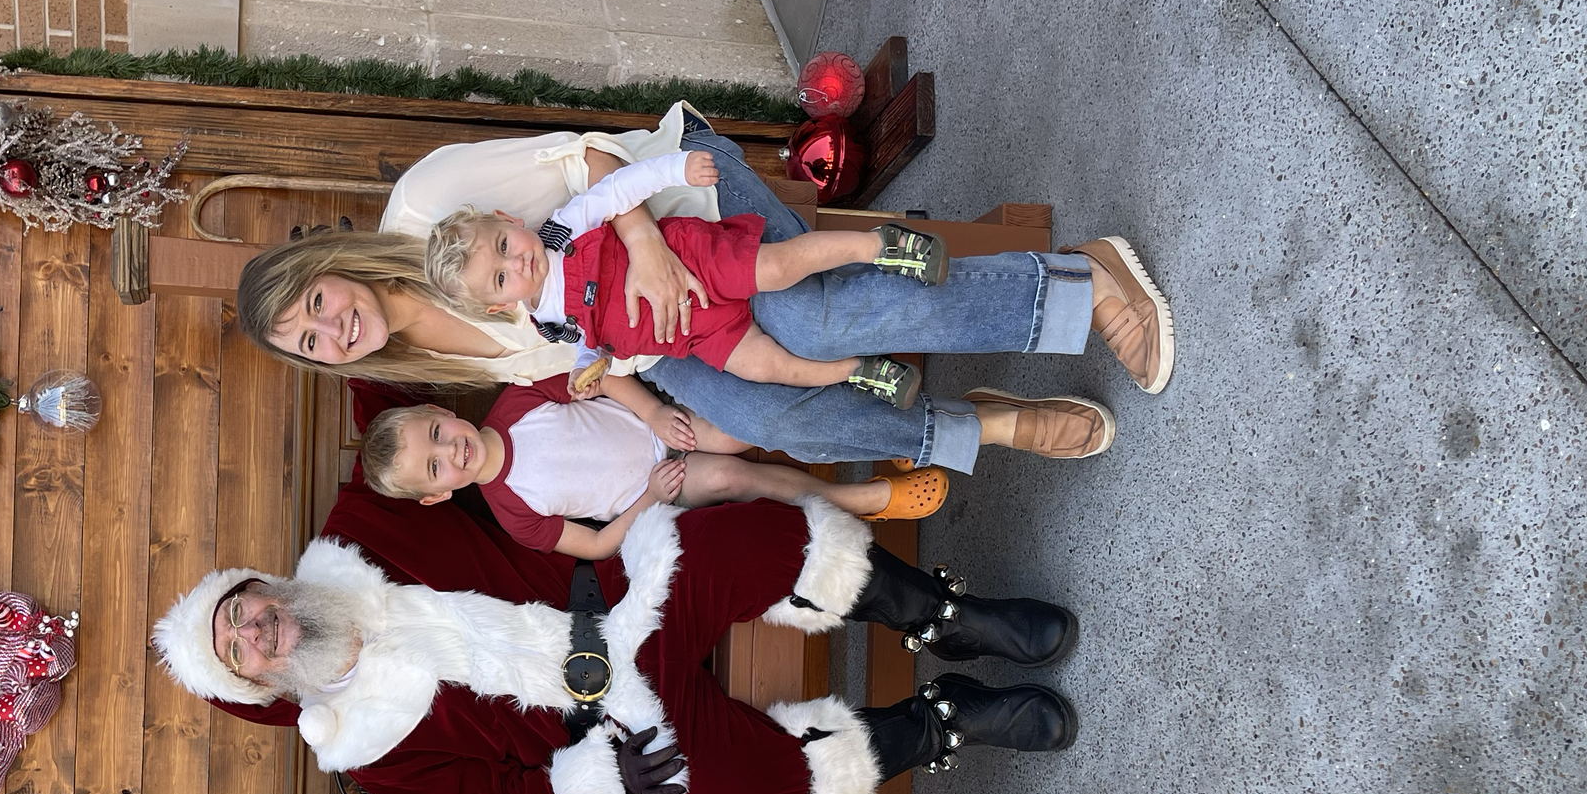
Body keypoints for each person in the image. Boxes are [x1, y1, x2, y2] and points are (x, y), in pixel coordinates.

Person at [234, 102, 1165, 467]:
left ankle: (1083, 283)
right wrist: (645, 409)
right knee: (770, 420)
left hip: (668, 208)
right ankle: (985, 424)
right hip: (651, 332)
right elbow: (567, 357)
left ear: (328, 269)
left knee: (812, 315)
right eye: (310, 342)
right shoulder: (427, 358)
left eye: (314, 304)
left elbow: (585, 160)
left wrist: (641, 243)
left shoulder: (426, 202)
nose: (333, 327)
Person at [149, 495, 1075, 794]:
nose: (255, 633)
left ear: (260, 583)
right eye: (238, 653)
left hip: (619, 591)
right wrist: (597, 783)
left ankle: (944, 616)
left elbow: (433, 431)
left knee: (765, 540)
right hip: (613, 730)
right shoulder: (362, 749)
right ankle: (940, 722)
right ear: (261, 689)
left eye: (239, 610)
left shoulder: (362, 525)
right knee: (779, 786)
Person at [422, 147, 947, 405]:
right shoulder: (547, 325)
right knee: (767, 369)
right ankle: (857, 370)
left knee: (781, 268)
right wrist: (591, 370)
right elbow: (591, 346)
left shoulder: (560, 233)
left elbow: (619, 191)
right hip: (690, 332)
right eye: (499, 279)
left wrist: (675, 169)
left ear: (511, 222)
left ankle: (882, 243)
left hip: (691, 261)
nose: (516, 263)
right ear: (499, 306)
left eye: (503, 245)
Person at [357, 385, 950, 560]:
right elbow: (591, 544)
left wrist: (656, 412)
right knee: (730, 479)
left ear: (440, 412)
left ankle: (880, 426)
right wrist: (646, 499)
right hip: (658, 488)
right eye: (434, 467)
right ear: (436, 496)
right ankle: (864, 498)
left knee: (748, 427)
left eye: (436, 435)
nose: (450, 451)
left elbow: (599, 376)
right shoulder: (514, 514)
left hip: (664, 427)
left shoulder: (517, 402)